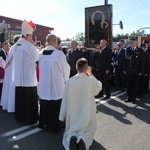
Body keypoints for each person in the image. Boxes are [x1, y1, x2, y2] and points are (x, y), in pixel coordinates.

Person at [59, 58, 102, 150]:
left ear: (76, 67)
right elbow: (98, 88)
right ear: (87, 68)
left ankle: (72, 138)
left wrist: (61, 116)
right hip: (87, 113)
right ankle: (82, 139)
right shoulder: (90, 80)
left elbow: (65, 99)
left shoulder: (70, 81)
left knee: (71, 130)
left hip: (73, 114)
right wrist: (90, 74)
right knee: (88, 131)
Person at [38, 34, 70, 133]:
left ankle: (44, 124)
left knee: (44, 104)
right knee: (56, 105)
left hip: (44, 85)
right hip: (56, 85)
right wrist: (66, 80)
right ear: (55, 41)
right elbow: (66, 69)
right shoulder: (58, 54)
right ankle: (55, 127)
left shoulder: (40, 53)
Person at [13, 20, 39, 124]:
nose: (31, 38)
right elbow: (37, 57)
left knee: (21, 99)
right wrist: (34, 46)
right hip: (28, 77)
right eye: (31, 36)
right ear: (27, 35)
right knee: (29, 99)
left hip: (19, 78)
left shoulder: (16, 45)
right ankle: (29, 119)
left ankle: (20, 117)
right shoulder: (28, 45)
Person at [0, 35, 20, 112]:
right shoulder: (15, 48)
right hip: (12, 72)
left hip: (10, 71)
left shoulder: (13, 48)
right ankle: (11, 105)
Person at [125, 38, 145, 103]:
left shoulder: (140, 50)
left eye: (133, 42)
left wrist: (141, 71)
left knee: (135, 85)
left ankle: (134, 98)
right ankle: (129, 97)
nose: (131, 43)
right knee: (128, 85)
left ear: (136, 42)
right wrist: (125, 69)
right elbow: (126, 60)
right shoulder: (128, 49)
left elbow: (142, 62)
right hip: (128, 71)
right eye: (131, 42)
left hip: (136, 71)